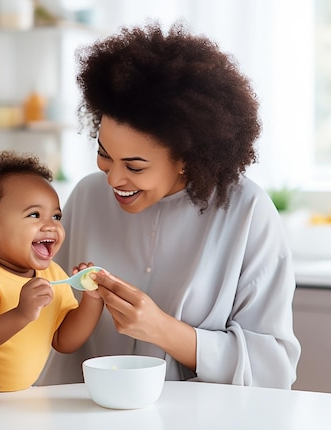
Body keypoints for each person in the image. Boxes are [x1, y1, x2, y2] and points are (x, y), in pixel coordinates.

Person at [37, 21, 301, 389]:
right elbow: (46, 324)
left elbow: (273, 368)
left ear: (187, 158)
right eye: (104, 154)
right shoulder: (87, 197)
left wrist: (161, 329)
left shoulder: (246, 211)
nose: (113, 178)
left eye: (134, 166)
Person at [0, 150, 104, 408]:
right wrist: (22, 313)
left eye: (56, 216)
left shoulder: (54, 276)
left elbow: (65, 341)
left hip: (19, 396)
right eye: (35, 215)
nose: (51, 225)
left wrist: (92, 301)